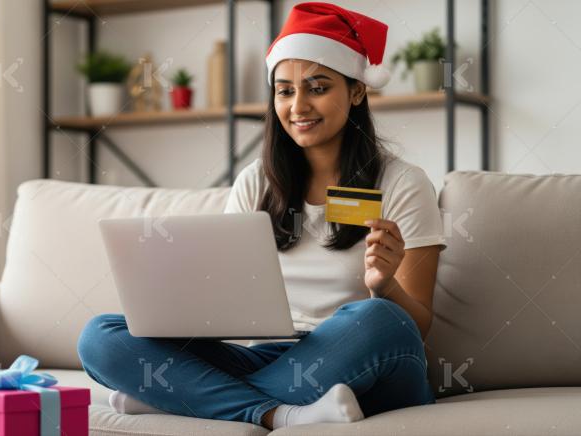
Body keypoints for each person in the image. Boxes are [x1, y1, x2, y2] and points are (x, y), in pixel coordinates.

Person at [77, 2, 447, 430]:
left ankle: (182, 399)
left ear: (358, 90)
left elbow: (415, 327)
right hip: (270, 354)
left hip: (361, 356)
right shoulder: (257, 181)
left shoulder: (403, 182)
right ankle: (279, 413)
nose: (298, 105)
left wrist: (384, 286)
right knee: (101, 336)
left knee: (379, 318)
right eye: (285, 90)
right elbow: (221, 303)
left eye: (317, 87)